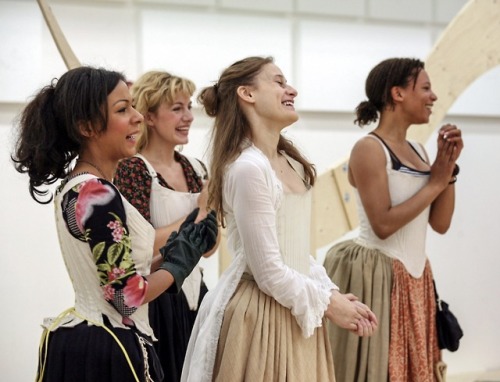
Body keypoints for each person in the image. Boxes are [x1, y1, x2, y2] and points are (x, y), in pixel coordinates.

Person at [11, 66, 217, 382]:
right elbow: (125, 296)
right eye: (123, 109)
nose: (137, 117)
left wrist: (172, 251)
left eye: (133, 106)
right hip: (108, 348)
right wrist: (179, 263)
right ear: (87, 127)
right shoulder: (97, 192)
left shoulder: (81, 184)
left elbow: (114, 269)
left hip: (90, 336)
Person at [181, 56, 378, 382]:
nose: (292, 90)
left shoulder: (292, 163)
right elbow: (268, 273)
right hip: (261, 319)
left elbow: (296, 252)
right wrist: (329, 303)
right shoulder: (248, 168)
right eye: (279, 81)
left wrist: (331, 293)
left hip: (297, 314)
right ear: (247, 94)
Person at [323, 57, 463, 381]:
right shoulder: (369, 149)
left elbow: (440, 224)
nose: (433, 97)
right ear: (397, 94)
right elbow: (383, 225)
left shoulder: (419, 150)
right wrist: (437, 182)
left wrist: (448, 168)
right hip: (377, 274)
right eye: (425, 88)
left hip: (415, 278)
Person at [114, 70, 219, 382]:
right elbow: (140, 246)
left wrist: (207, 222)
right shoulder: (133, 169)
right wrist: (198, 215)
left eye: (188, 107)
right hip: (156, 298)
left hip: (195, 296)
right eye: (177, 108)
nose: (188, 117)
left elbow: (210, 248)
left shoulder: (196, 168)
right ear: (149, 116)